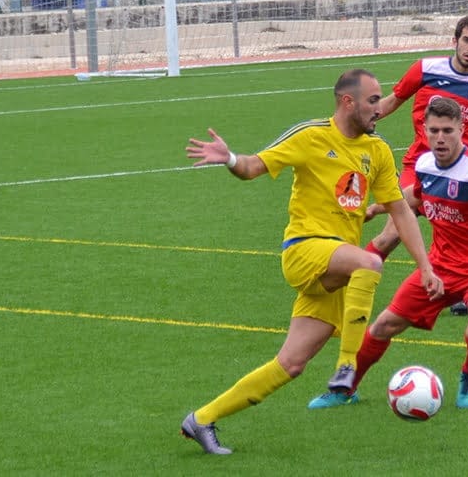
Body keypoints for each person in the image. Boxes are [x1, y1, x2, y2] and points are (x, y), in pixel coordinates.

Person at [179, 68, 444, 455]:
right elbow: (253, 167)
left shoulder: (378, 150)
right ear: (346, 102)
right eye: (373, 101)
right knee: (369, 265)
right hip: (305, 250)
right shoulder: (312, 135)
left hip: (336, 267)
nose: (380, 108)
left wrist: (425, 266)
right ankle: (347, 366)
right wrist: (230, 157)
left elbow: (400, 212)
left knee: (291, 364)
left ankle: (201, 419)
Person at [307, 96, 468, 410]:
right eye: (434, 130)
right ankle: (345, 389)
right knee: (382, 326)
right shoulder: (424, 165)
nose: (440, 138)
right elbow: (414, 196)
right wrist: (377, 208)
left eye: (448, 130)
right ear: (424, 130)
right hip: (440, 266)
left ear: (462, 129)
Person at [351, 15, 468, 317]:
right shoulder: (425, 69)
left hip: (465, 174)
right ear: (455, 41)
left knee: (467, 234)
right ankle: (354, 283)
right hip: (421, 167)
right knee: (391, 235)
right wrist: (357, 124)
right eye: (466, 40)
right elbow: (391, 102)